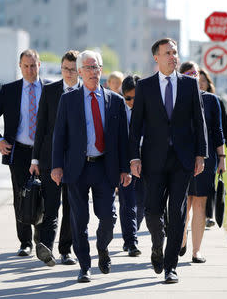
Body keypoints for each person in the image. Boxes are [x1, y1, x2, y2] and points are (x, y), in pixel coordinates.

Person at [129, 38, 208, 284]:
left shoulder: (189, 85)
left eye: (174, 52)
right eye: (167, 53)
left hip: (182, 160)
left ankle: (170, 266)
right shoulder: (145, 86)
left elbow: (199, 120)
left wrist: (200, 154)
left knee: (177, 212)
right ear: (157, 57)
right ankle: (156, 246)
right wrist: (134, 157)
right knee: (152, 211)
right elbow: (136, 126)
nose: (173, 56)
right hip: (153, 160)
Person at [51, 50, 131, 283]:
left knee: (108, 217)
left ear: (101, 70)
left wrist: (124, 168)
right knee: (79, 219)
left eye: (96, 67)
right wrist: (56, 166)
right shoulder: (68, 100)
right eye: (88, 68)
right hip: (77, 169)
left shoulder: (115, 101)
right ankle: (84, 265)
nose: (93, 72)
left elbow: (123, 139)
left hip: (105, 168)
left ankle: (103, 247)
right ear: (80, 72)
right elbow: (59, 136)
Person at [0, 49, 48, 257]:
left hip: (45, 152)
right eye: (26, 66)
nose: (30, 70)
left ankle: (42, 239)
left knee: (44, 195)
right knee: (22, 196)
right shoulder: (10, 90)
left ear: (40, 65)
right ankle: (25, 242)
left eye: (33, 65)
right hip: (19, 151)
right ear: (20, 67)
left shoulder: (51, 89)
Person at [29, 50, 80, 267]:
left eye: (73, 69)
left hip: (75, 161)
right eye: (66, 69)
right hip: (50, 159)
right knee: (51, 206)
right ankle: (47, 247)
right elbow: (40, 127)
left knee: (70, 207)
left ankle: (65, 251)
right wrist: (34, 160)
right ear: (61, 69)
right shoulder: (50, 91)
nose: (69, 73)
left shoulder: (84, 92)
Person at [179, 61, 226, 263]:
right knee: (183, 204)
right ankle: (181, 240)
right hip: (181, 159)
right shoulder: (176, 99)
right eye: (188, 73)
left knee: (200, 203)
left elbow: (218, 132)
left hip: (207, 159)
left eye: (195, 73)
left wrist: (222, 158)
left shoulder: (211, 101)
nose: (193, 76)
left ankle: (196, 250)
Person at [199, 68, 227, 228]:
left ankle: (208, 215)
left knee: (210, 184)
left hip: (212, 148)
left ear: (208, 83)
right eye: (198, 81)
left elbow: (223, 126)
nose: (200, 84)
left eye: (203, 81)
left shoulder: (215, 101)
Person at [118, 75, 144, 257]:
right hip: (125, 160)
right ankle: (131, 241)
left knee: (142, 203)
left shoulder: (149, 110)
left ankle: (133, 232)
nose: (132, 102)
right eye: (128, 98)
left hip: (146, 160)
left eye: (136, 97)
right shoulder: (119, 110)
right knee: (127, 202)